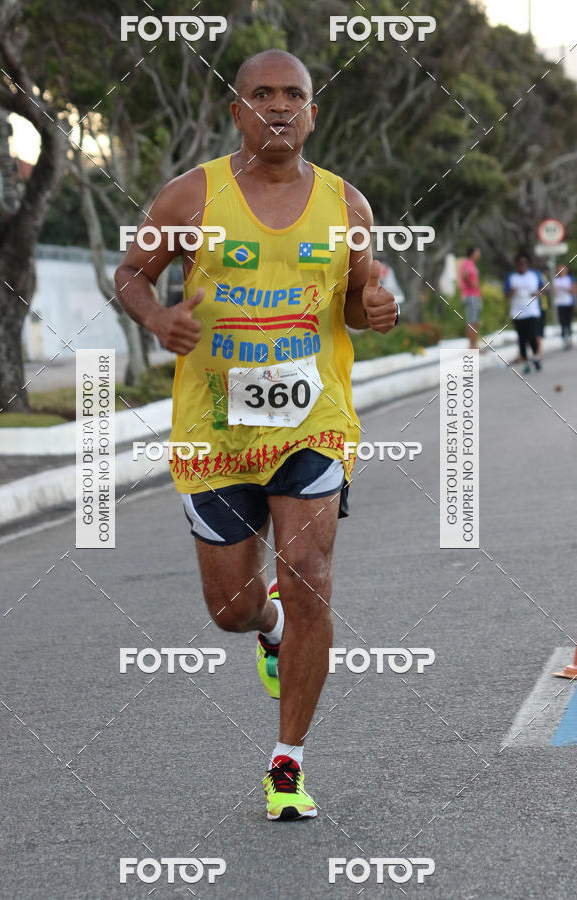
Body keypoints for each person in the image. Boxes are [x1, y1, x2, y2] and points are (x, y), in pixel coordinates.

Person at [114, 49, 397, 821]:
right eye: (261, 95)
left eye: (294, 95)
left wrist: (374, 302)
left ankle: (287, 762)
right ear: (236, 112)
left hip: (313, 420)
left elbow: (354, 294)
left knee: (306, 566)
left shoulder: (349, 206)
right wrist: (155, 315)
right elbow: (131, 272)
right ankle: (267, 629)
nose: (278, 107)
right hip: (214, 428)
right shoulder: (190, 196)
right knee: (231, 608)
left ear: (314, 113)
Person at [504, 253, 544, 373]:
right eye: (520, 264)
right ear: (517, 265)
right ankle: (526, 361)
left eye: (525, 263)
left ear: (528, 264)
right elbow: (506, 294)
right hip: (517, 312)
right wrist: (512, 291)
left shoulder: (534, 274)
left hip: (532, 311)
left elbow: (544, 288)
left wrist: (538, 293)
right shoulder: (511, 276)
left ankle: (536, 357)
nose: (522, 266)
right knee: (522, 338)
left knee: (532, 336)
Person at [459, 246, 482, 350]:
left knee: (474, 321)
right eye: (477, 252)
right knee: (472, 321)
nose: (479, 254)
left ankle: (473, 345)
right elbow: (465, 275)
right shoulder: (468, 263)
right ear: (473, 253)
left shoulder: (470, 263)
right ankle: (473, 347)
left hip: (473, 296)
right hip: (471, 296)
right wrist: (472, 284)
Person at [553, 263, 576, 349]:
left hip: (569, 302)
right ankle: (564, 340)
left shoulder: (570, 278)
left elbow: (574, 290)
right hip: (560, 303)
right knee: (562, 322)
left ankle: (569, 339)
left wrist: (566, 289)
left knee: (568, 322)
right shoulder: (556, 280)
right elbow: (553, 293)